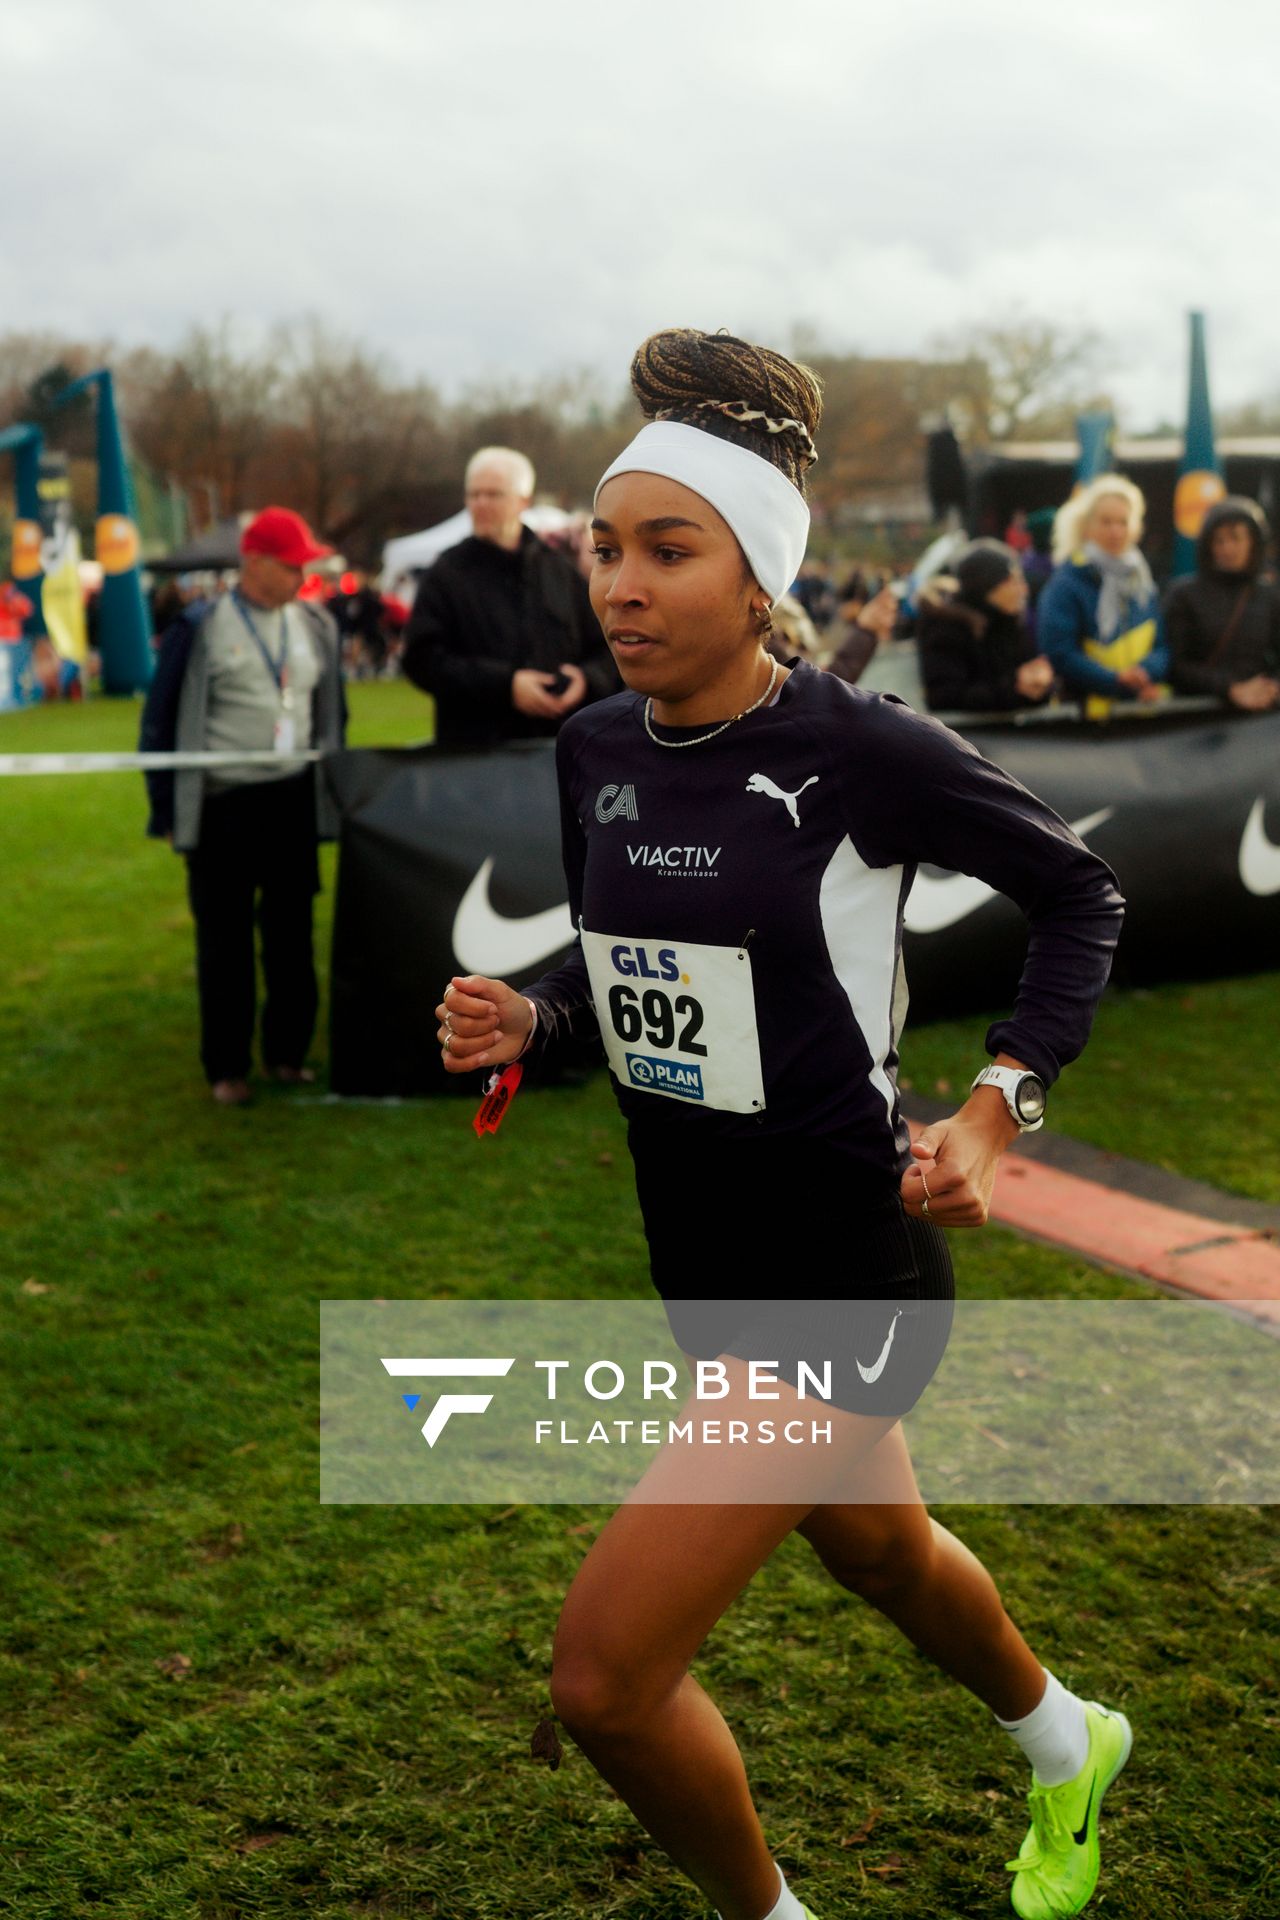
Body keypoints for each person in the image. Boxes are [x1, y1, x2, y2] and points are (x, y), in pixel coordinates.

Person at [436, 328, 1131, 1920]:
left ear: (761, 582)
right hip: (701, 1258)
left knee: (607, 1678)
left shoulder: (860, 750)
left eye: (669, 551)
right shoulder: (593, 748)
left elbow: (1078, 894)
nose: (621, 587)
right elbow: (629, 970)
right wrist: (533, 1020)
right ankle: (1069, 1739)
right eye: (605, 549)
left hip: (842, 1270)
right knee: (882, 1554)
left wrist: (995, 1109)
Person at [139, 506, 346, 1106]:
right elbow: (158, 720)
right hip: (222, 805)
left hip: (291, 801)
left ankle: (287, 1054)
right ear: (253, 563)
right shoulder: (199, 626)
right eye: (291, 566)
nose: (302, 577)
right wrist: (167, 809)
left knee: (291, 937)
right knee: (223, 943)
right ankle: (226, 1067)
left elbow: (333, 714)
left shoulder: (315, 623)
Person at [401, 445, 618, 747]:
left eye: (493, 494)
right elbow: (421, 659)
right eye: (474, 494)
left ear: (523, 501)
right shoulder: (447, 573)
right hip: (475, 754)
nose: (480, 503)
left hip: (555, 751)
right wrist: (506, 686)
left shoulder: (558, 570)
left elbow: (607, 647)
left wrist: (585, 680)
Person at [1037, 476, 1168, 718]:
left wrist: (1146, 673)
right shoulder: (1066, 582)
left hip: (1140, 713)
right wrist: (1115, 680)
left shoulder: (1142, 579)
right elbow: (1059, 652)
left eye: (1123, 522)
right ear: (1086, 526)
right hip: (1086, 719)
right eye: (1106, 522)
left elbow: (1160, 644)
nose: (1115, 531)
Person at [1164, 496, 1280, 711]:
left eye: (1236, 538)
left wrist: (1271, 686)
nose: (1227, 548)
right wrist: (1231, 689)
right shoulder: (1183, 595)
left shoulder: (1270, 596)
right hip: (1196, 716)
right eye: (1218, 540)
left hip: (1259, 716)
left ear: (1253, 542)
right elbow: (1175, 665)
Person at [917, 539, 1055, 713]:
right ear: (985, 586)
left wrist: (1040, 682)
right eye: (1011, 581)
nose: (1023, 589)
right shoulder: (946, 629)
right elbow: (944, 696)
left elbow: (1026, 677)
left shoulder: (1009, 621)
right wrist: (1014, 687)